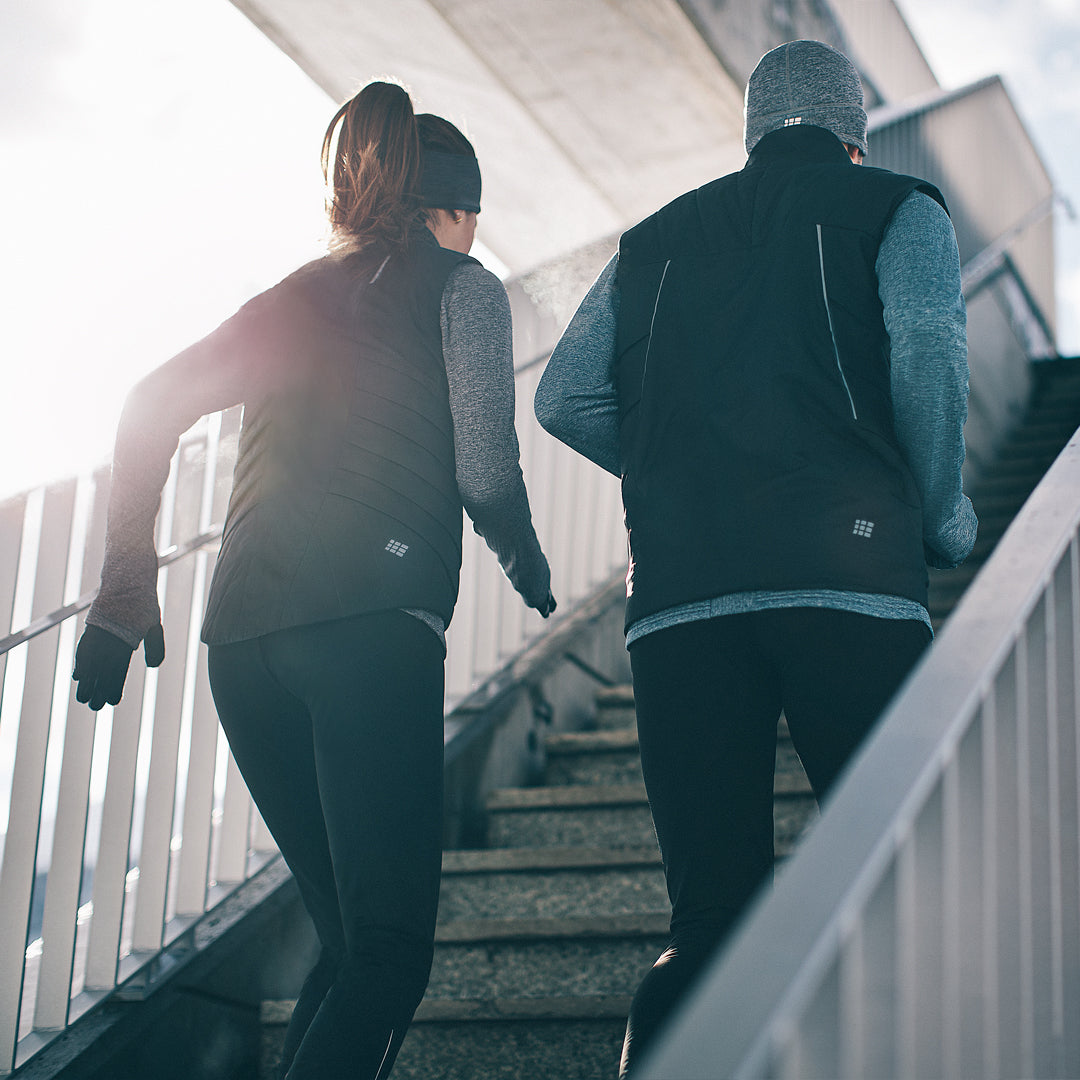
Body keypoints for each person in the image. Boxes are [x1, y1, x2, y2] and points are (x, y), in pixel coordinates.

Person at [72, 80, 555, 1079]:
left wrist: (128, 582)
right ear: (458, 213)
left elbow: (150, 402)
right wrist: (521, 554)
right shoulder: (466, 289)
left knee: (350, 945)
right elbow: (485, 471)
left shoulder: (294, 294)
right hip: (370, 631)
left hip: (244, 641)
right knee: (389, 956)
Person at [534, 39, 976, 1077]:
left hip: (681, 607)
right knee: (897, 873)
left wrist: (678, 475)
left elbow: (563, 398)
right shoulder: (898, 209)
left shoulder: (652, 242)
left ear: (751, 134)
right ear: (854, 137)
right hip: (851, 587)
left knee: (712, 915)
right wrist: (940, 513)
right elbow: (927, 351)